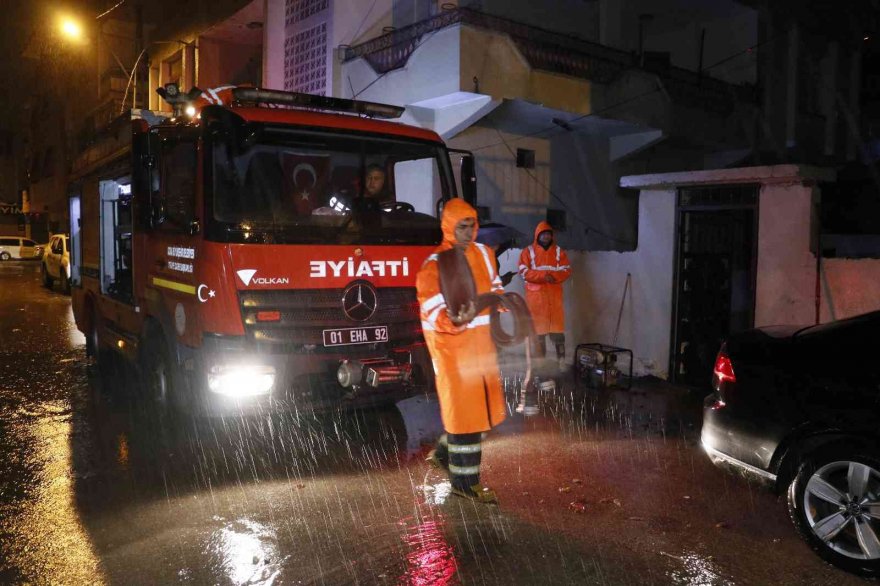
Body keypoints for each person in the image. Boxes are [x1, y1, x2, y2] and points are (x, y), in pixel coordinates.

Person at [416, 198, 506, 504]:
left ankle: (444, 453)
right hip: (453, 353)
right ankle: (465, 484)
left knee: (478, 416)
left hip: (480, 349)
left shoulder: (484, 253)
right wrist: (453, 321)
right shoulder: (434, 265)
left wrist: (501, 302)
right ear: (449, 227)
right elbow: (432, 311)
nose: (468, 232)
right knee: (468, 419)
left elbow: (495, 287)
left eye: (472, 225)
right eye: (462, 226)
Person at [519, 221, 571, 371]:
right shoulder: (528, 252)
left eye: (549, 234)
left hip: (554, 298)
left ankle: (561, 362)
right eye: (544, 234)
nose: (546, 236)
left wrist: (553, 277)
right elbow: (524, 272)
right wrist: (543, 276)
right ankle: (540, 364)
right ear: (538, 235)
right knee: (539, 334)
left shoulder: (559, 252)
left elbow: (566, 270)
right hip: (536, 300)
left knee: (558, 333)